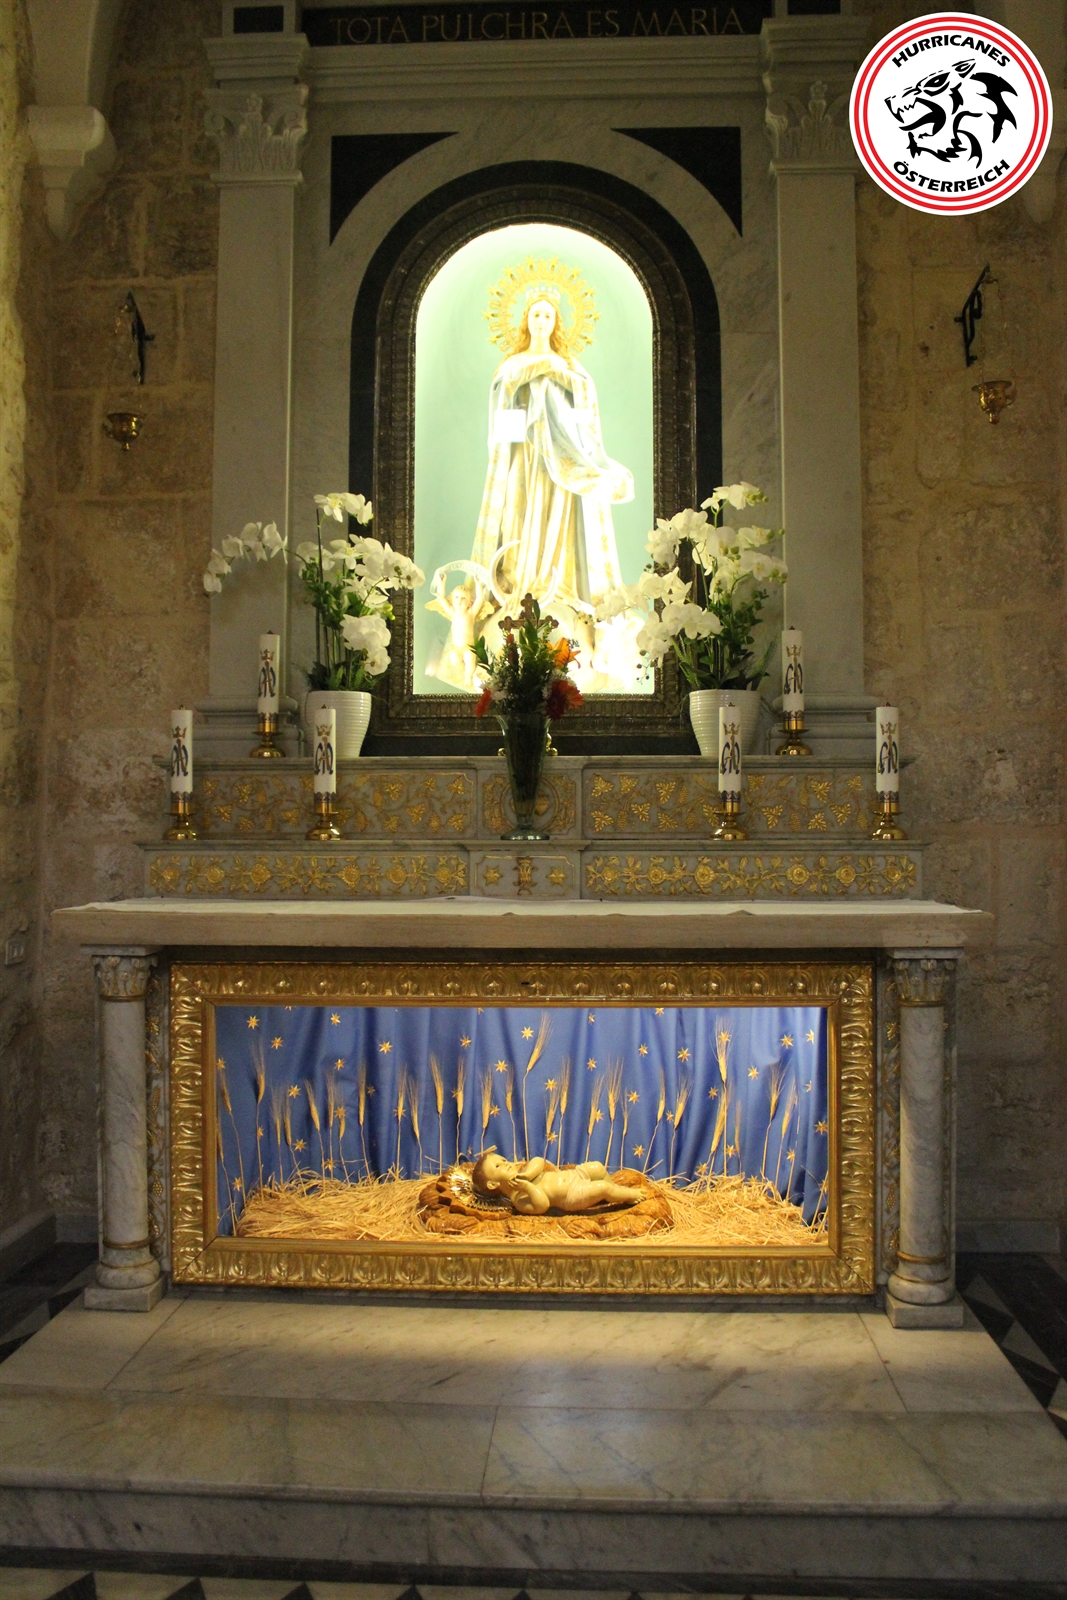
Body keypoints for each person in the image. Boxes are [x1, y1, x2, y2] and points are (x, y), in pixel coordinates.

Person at [470, 288, 633, 685]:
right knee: (520, 521)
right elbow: (502, 408)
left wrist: (555, 373)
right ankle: (523, 586)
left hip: (563, 462)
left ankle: (558, 587)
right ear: (525, 321)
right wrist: (532, 375)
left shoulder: (570, 366)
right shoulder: (512, 364)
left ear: (557, 323)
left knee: (560, 525)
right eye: (536, 315)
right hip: (524, 461)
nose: (541, 321)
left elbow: (585, 412)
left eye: (547, 315)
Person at [471, 1152, 640, 1216]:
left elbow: (538, 1160)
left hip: (573, 1175)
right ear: (493, 1184)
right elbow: (542, 1205)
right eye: (498, 1166)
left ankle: (613, 1195)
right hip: (572, 1194)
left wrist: (528, 1175)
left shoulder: (524, 1173)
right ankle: (630, 1195)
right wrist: (528, 1187)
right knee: (604, 1188)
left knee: (598, 1168)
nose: (506, 1163)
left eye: (503, 1160)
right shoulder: (519, 1199)